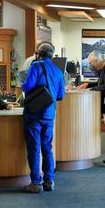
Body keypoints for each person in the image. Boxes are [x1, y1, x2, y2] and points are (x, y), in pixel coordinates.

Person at [22, 42, 65, 194]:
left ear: (38, 54)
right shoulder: (59, 71)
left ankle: (35, 183)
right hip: (49, 115)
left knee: (34, 147)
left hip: (34, 114)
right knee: (47, 147)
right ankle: (49, 181)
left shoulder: (36, 66)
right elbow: (60, 95)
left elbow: (27, 86)